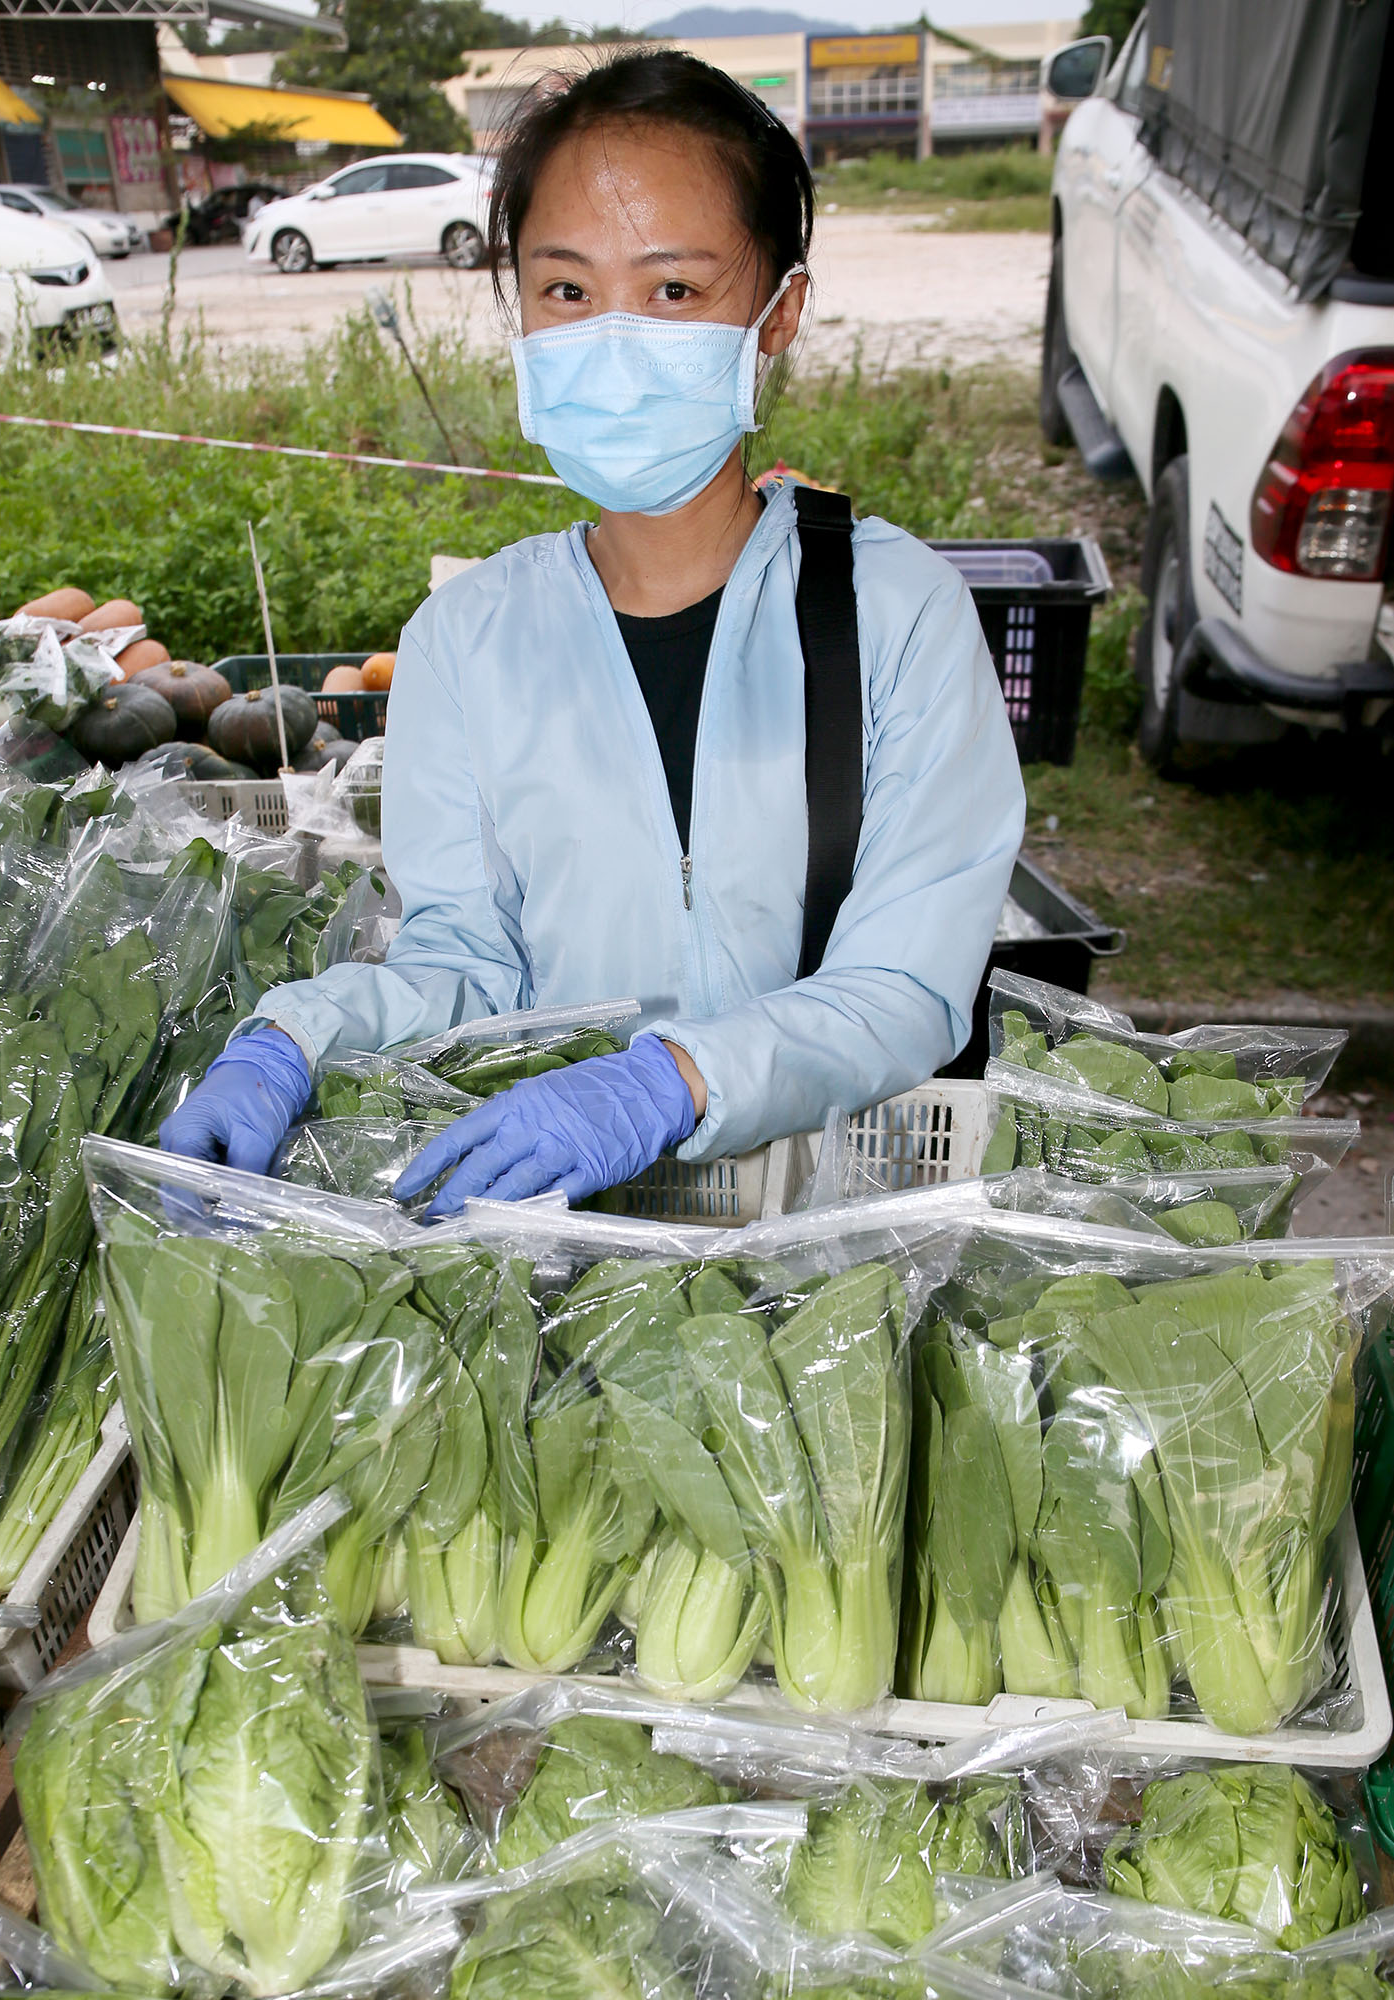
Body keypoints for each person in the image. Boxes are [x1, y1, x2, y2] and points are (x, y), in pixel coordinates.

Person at [161, 49, 1026, 1216]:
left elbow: (909, 983)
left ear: (781, 312)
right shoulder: (467, 639)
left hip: (837, 1247)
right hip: (570, 1243)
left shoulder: (895, 613)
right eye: (567, 290)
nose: (614, 338)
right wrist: (292, 1036)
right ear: (518, 304)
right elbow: (462, 968)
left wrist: (667, 1081)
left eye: (674, 290)